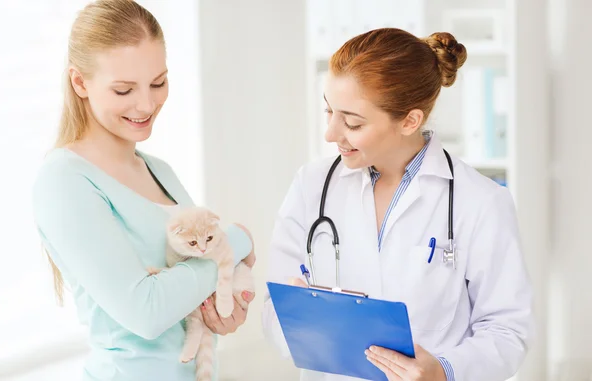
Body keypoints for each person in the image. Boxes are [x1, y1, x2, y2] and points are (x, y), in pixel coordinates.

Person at [262, 28, 534, 381]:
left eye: (352, 122)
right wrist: (299, 317)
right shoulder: (311, 186)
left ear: (410, 120)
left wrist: (443, 371)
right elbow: (273, 308)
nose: (330, 133)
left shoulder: (480, 201)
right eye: (329, 111)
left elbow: (508, 329)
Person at [31, 1, 255, 380]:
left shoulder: (159, 170)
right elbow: (147, 311)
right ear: (80, 82)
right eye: (123, 90)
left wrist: (226, 306)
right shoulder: (64, 180)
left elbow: (188, 287)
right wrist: (238, 241)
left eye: (158, 83)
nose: (147, 104)